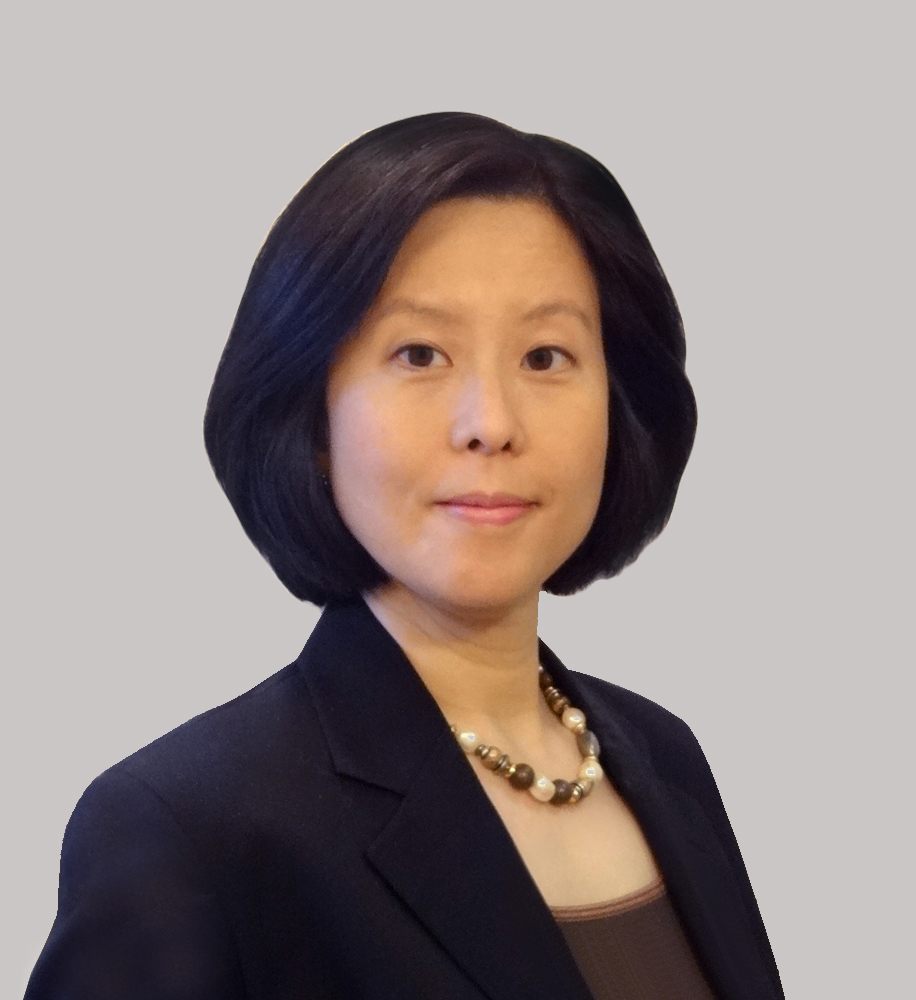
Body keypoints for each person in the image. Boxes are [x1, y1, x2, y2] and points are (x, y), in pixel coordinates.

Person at [24, 112, 783, 1000]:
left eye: (546, 356)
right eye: (420, 354)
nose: (491, 423)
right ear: (313, 415)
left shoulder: (665, 759)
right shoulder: (189, 830)